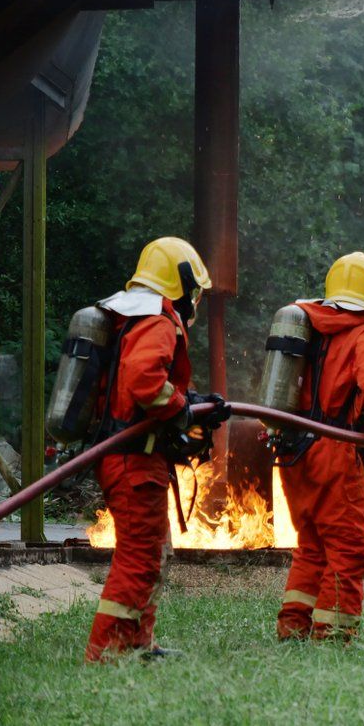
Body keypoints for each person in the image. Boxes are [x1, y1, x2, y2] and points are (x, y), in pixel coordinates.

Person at [85, 237, 228, 662]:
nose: (196, 301)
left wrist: (191, 401)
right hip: (133, 458)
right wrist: (185, 409)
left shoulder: (133, 316)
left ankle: (138, 643)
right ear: (180, 283)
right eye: (195, 290)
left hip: (133, 455)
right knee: (140, 557)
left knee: (152, 552)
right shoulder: (158, 320)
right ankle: (107, 651)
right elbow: (145, 381)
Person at [276, 252, 364, 641]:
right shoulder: (363, 333)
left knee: (312, 545)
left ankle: (294, 628)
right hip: (333, 450)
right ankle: (333, 636)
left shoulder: (311, 325)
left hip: (293, 450)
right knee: (350, 548)